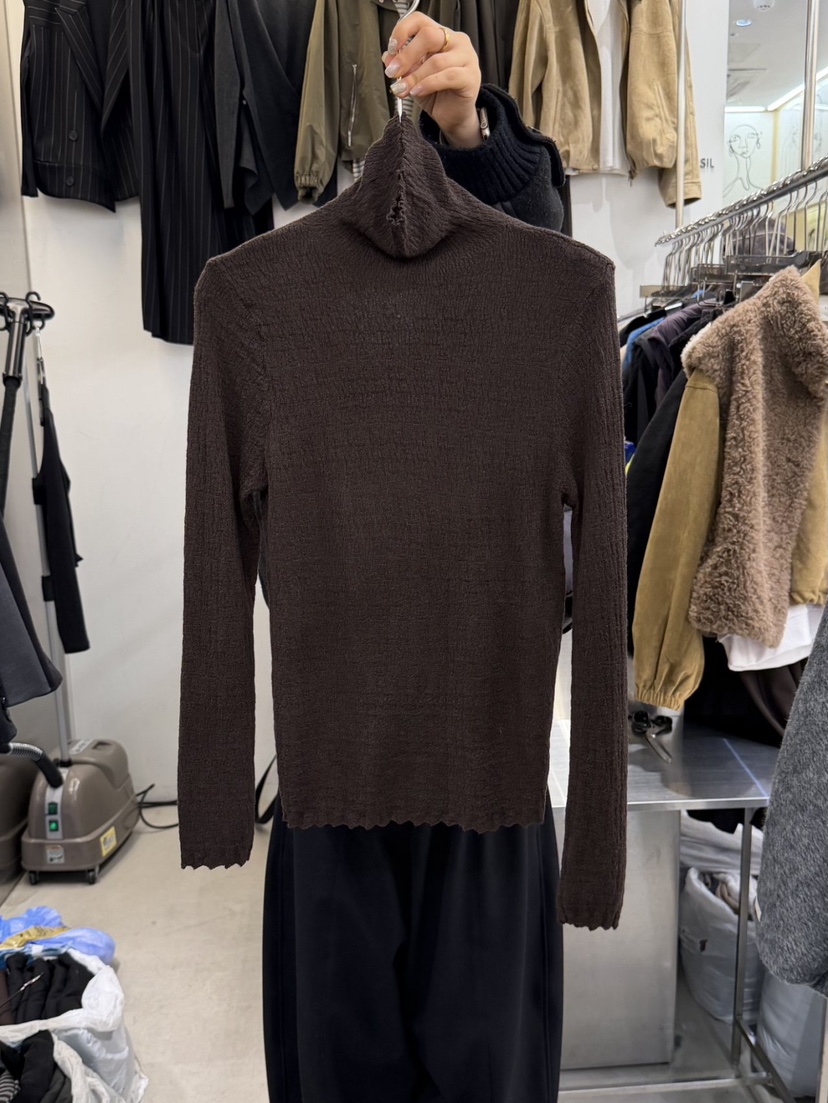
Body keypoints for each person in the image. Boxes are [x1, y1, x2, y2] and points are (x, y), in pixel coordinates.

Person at [262, 13, 569, 1103]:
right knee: (338, 1063)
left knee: (488, 1062)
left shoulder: (526, 293)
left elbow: (541, 289)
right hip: (338, 752)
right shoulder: (279, 304)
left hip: (482, 737)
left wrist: (473, 134)